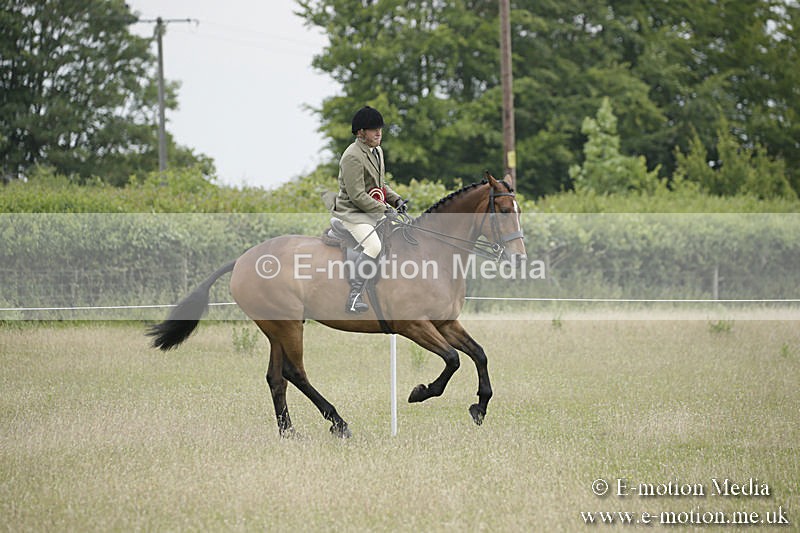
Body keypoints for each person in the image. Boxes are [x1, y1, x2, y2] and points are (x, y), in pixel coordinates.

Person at [323, 106, 407, 313]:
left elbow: (380, 184)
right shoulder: (351, 156)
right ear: (361, 132)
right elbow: (357, 195)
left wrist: (396, 200)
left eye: (380, 129)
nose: (379, 133)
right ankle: (354, 296)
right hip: (353, 214)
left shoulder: (377, 151)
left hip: (371, 210)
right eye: (373, 129)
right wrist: (384, 210)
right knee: (374, 247)